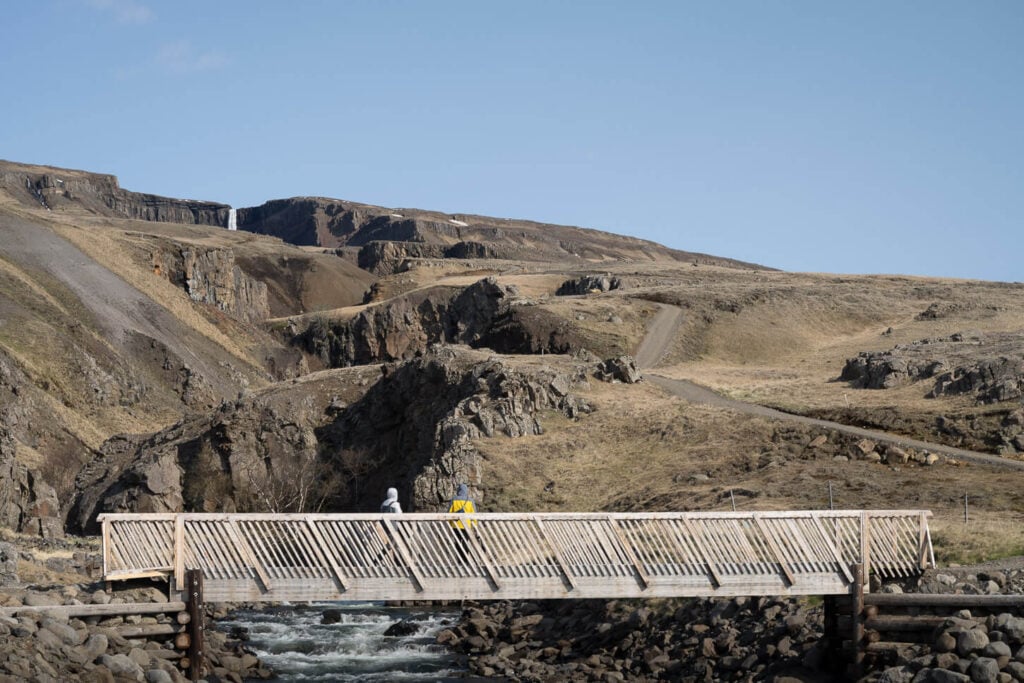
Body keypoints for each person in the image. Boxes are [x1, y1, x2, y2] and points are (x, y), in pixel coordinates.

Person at [447, 483, 476, 563]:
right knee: (465, 542)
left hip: (456, 525)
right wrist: (475, 526)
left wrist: (449, 524)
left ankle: (459, 560)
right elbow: (474, 514)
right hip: (467, 525)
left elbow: (449, 513)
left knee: (458, 542)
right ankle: (465, 560)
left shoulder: (454, 499)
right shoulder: (470, 500)